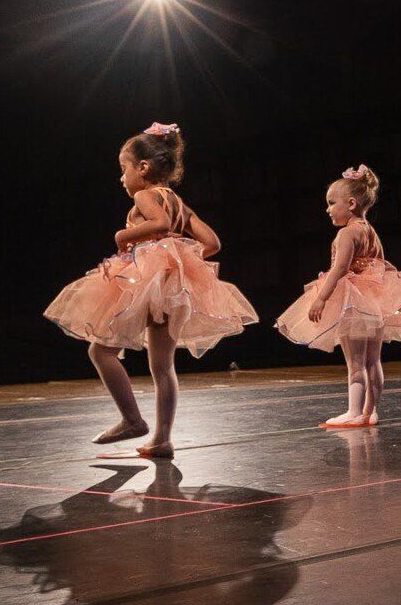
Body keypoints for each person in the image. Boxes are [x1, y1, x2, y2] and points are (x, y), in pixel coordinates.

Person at [45, 123, 257, 458]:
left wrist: (123, 237)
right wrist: (176, 252)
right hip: (173, 286)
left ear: (143, 168)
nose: (121, 178)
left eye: (123, 169)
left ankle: (132, 420)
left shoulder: (145, 195)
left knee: (100, 352)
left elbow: (157, 225)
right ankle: (162, 439)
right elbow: (212, 243)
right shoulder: (179, 203)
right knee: (163, 366)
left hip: (148, 282)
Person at [275, 164, 401, 428]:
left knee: (355, 362)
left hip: (354, 300)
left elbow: (339, 268)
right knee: (374, 360)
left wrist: (321, 298)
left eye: (331, 203)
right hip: (375, 300)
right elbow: (383, 265)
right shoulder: (370, 230)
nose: (327, 209)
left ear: (350, 203)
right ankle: (370, 411)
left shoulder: (347, 232)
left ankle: (354, 412)